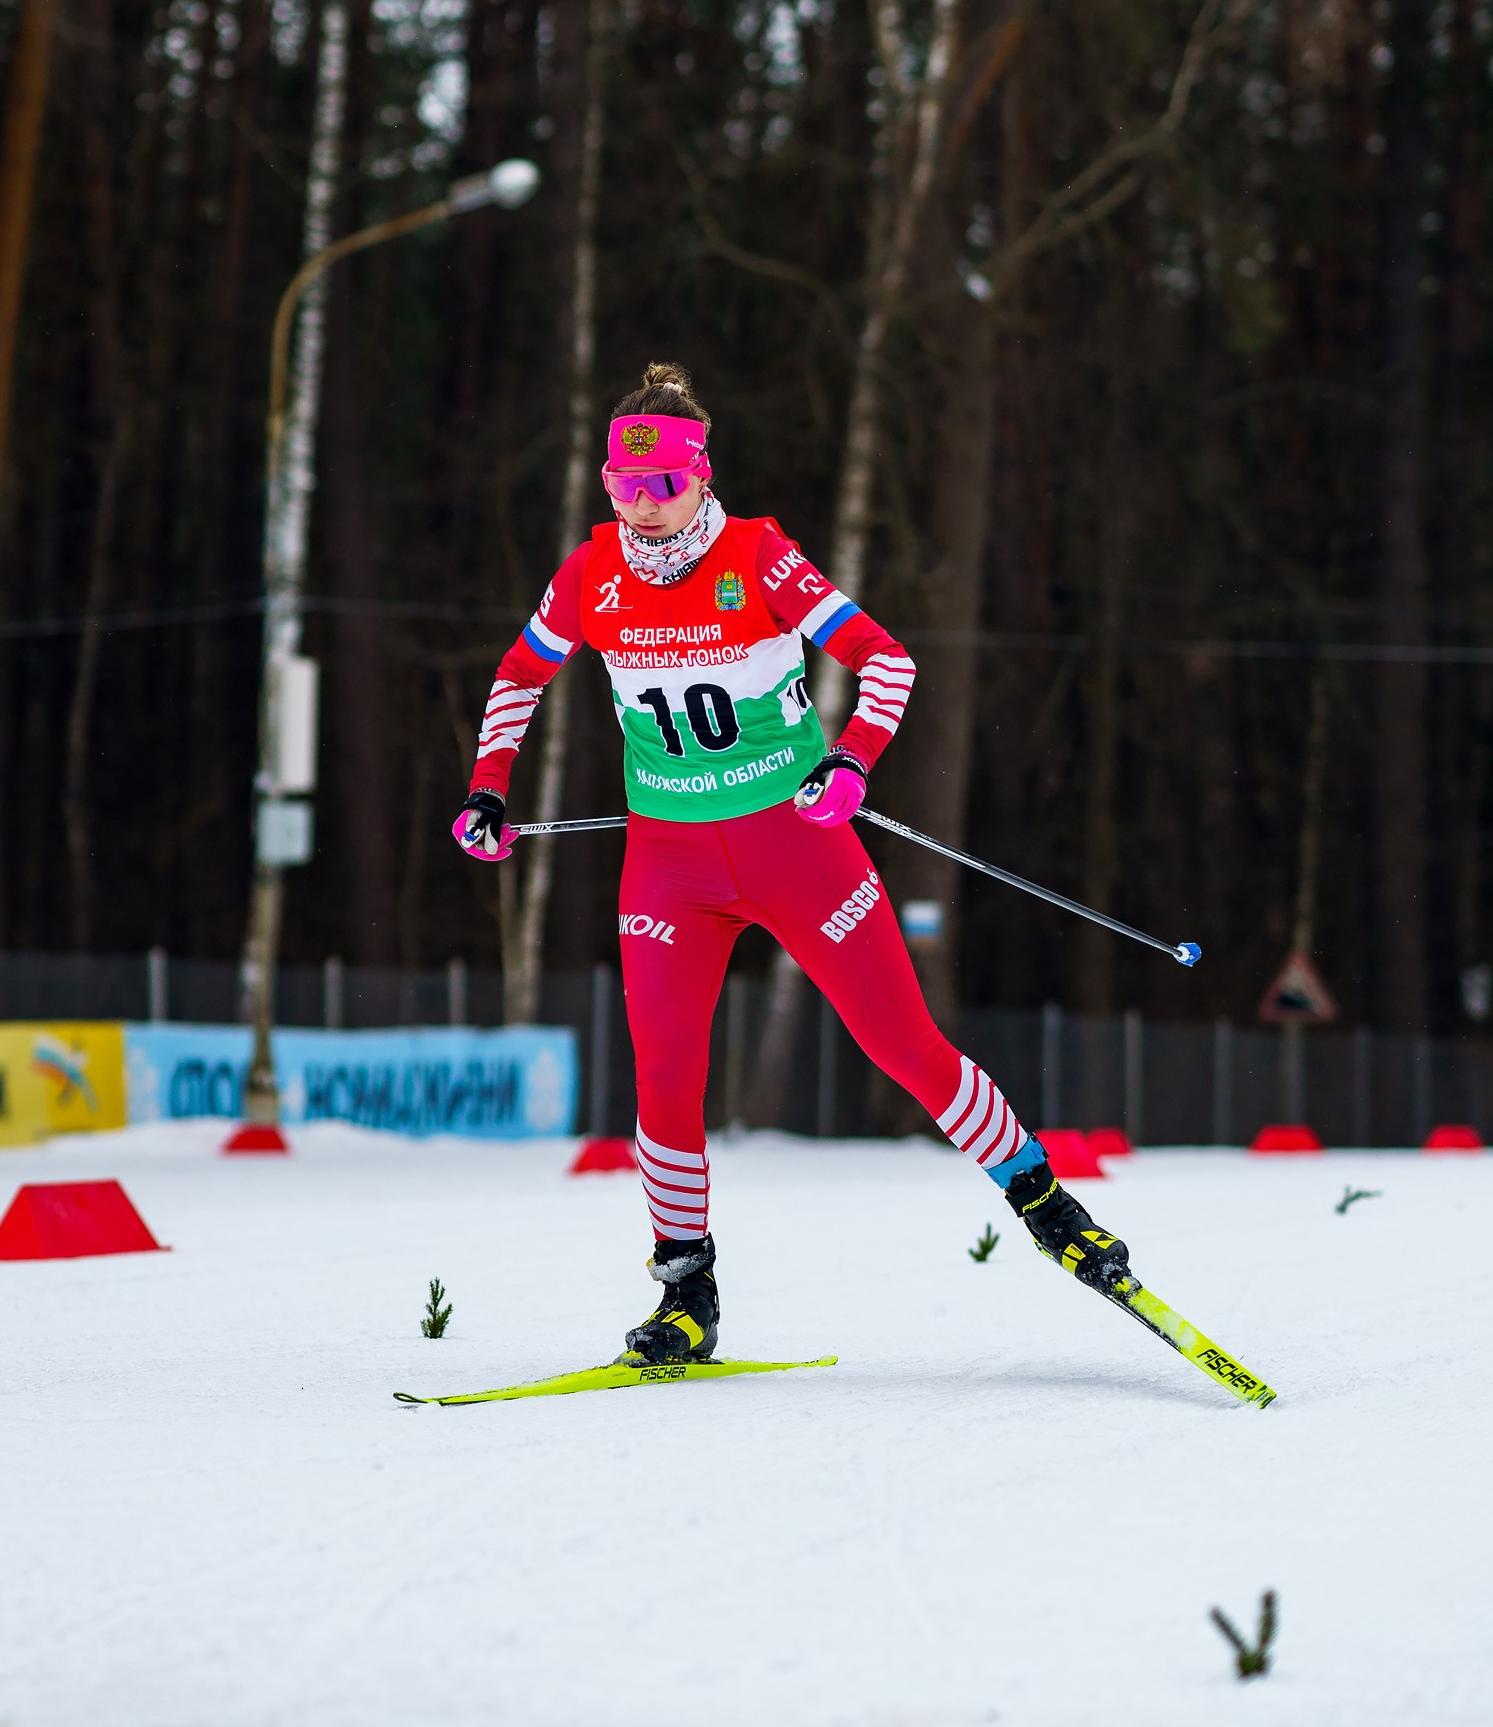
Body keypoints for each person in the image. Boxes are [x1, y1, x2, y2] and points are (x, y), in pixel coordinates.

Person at [452, 361, 1134, 1365]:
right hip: (668, 868)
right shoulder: (586, 576)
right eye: (622, 488)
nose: (642, 509)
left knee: (904, 1049)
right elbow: (517, 677)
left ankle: (1045, 1205)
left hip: (795, 848)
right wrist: (485, 790)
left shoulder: (755, 557)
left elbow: (886, 661)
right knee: (665, 1082)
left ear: (698, 475)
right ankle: (686, 1294)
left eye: (661, 487)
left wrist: (850, 763)